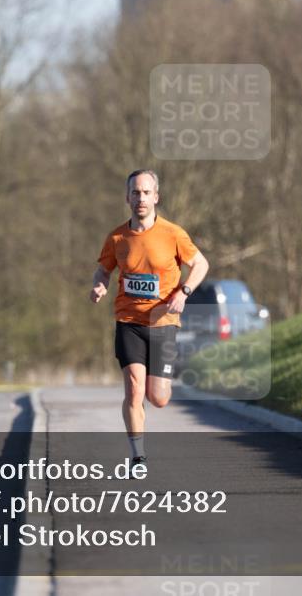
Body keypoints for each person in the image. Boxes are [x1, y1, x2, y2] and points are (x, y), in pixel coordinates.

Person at [90, 170, 209, 471]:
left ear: (156, 196)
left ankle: (152, 397)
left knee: (158, 398)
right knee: (133, 388)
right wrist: (99, 284)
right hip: (128, 320)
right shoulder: (117, 237)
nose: (140, 198)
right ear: (127, 197)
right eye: (135, 192)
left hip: (163, 322)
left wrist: (184, 291)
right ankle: (138, 456)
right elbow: (104, 269)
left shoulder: (173, 234)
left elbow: (200, 264)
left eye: (146, 193)